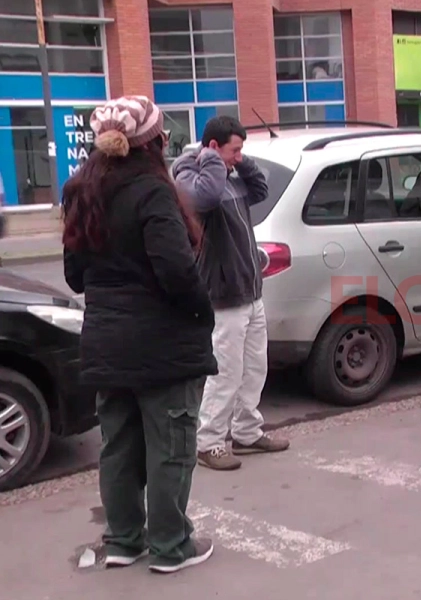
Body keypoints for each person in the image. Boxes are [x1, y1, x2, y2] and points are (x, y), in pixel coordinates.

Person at [62, 95, 217, 573]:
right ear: (152, 144)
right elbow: (175, 269)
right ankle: (171, 546)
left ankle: (125, 540)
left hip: (106, 342)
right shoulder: (153, 191)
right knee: (170, 447)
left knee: (119, 447)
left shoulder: (80, 191)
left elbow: (74, 276)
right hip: (162, 345)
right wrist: (201, 313)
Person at [172, 115, 289, 471]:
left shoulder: (232, 177)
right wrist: (210, 162)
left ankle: (247, 431)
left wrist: (241, 159)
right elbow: (204, 198)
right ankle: (208, 442)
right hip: (223, 294)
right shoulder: (190, 179)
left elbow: (262, 190)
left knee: (255, 367)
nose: (238, 157)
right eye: (234, 150)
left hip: (249, 290)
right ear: (211, 148)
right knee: (225, 372)